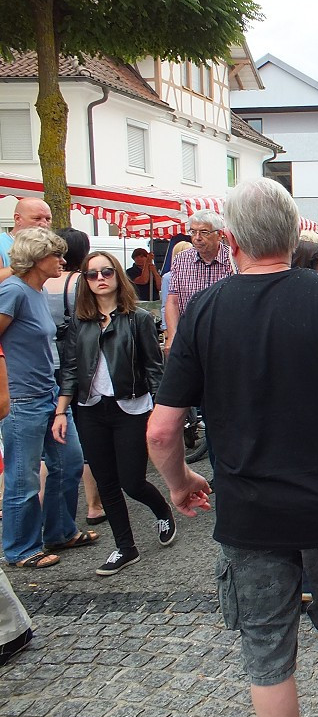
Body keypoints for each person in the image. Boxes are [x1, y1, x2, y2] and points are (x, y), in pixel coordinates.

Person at [147, 177, 318, 717]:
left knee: (266, 647)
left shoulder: (203, 310)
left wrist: (179, 481)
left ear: (231, 239)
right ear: (295, 235)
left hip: (251, 514)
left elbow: (162, 430)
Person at [54, 252, 174, 576]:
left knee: (132, 481)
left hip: (131, 408)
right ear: (85, 281)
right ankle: (125, 547)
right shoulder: (79, 321)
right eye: (92, 274)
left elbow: (154, 370)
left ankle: (162, 509)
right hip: (91, 409)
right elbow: (70, 369)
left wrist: (164, 413)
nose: (100, 278)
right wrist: (61, 412)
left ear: (116, 275)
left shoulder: (138, 318)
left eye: (106, 271)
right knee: (106, 481)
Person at [0, 228, 97, 569]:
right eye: (55, 255)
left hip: (48, 395)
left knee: (69, 462)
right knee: (23, 477)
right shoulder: (13, 291)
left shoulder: (36, 291)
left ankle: (58, 531)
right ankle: (20, 549)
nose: (62, 260)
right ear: (36, 260)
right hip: (22, 398)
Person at [44, 228, 105, 526]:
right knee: (85, 432)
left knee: (53, 438)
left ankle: (46, 508)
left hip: (47, 362)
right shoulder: (83, 282)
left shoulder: (40, 283)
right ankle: (94, 505)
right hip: (77, 362)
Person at [164, 210, 233, 357]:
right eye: (193, 232)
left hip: (225, 340)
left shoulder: (234, 260)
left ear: (219, 234)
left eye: (204, 232)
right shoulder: (181, 260)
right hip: (189, 340)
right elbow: (173, 301)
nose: (197, 238)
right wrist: (172, 335)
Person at [0, 197, 53, 278]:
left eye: (48, 219)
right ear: (18, 219)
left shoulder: (51, 245)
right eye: (37, 218)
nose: (44, 224)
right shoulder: (2, 243)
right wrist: (23, 265)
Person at [159, 241, 192, 333]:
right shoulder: (168, 277)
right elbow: (166, 304)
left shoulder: (199, 274)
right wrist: (166, 328)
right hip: (178, 324)